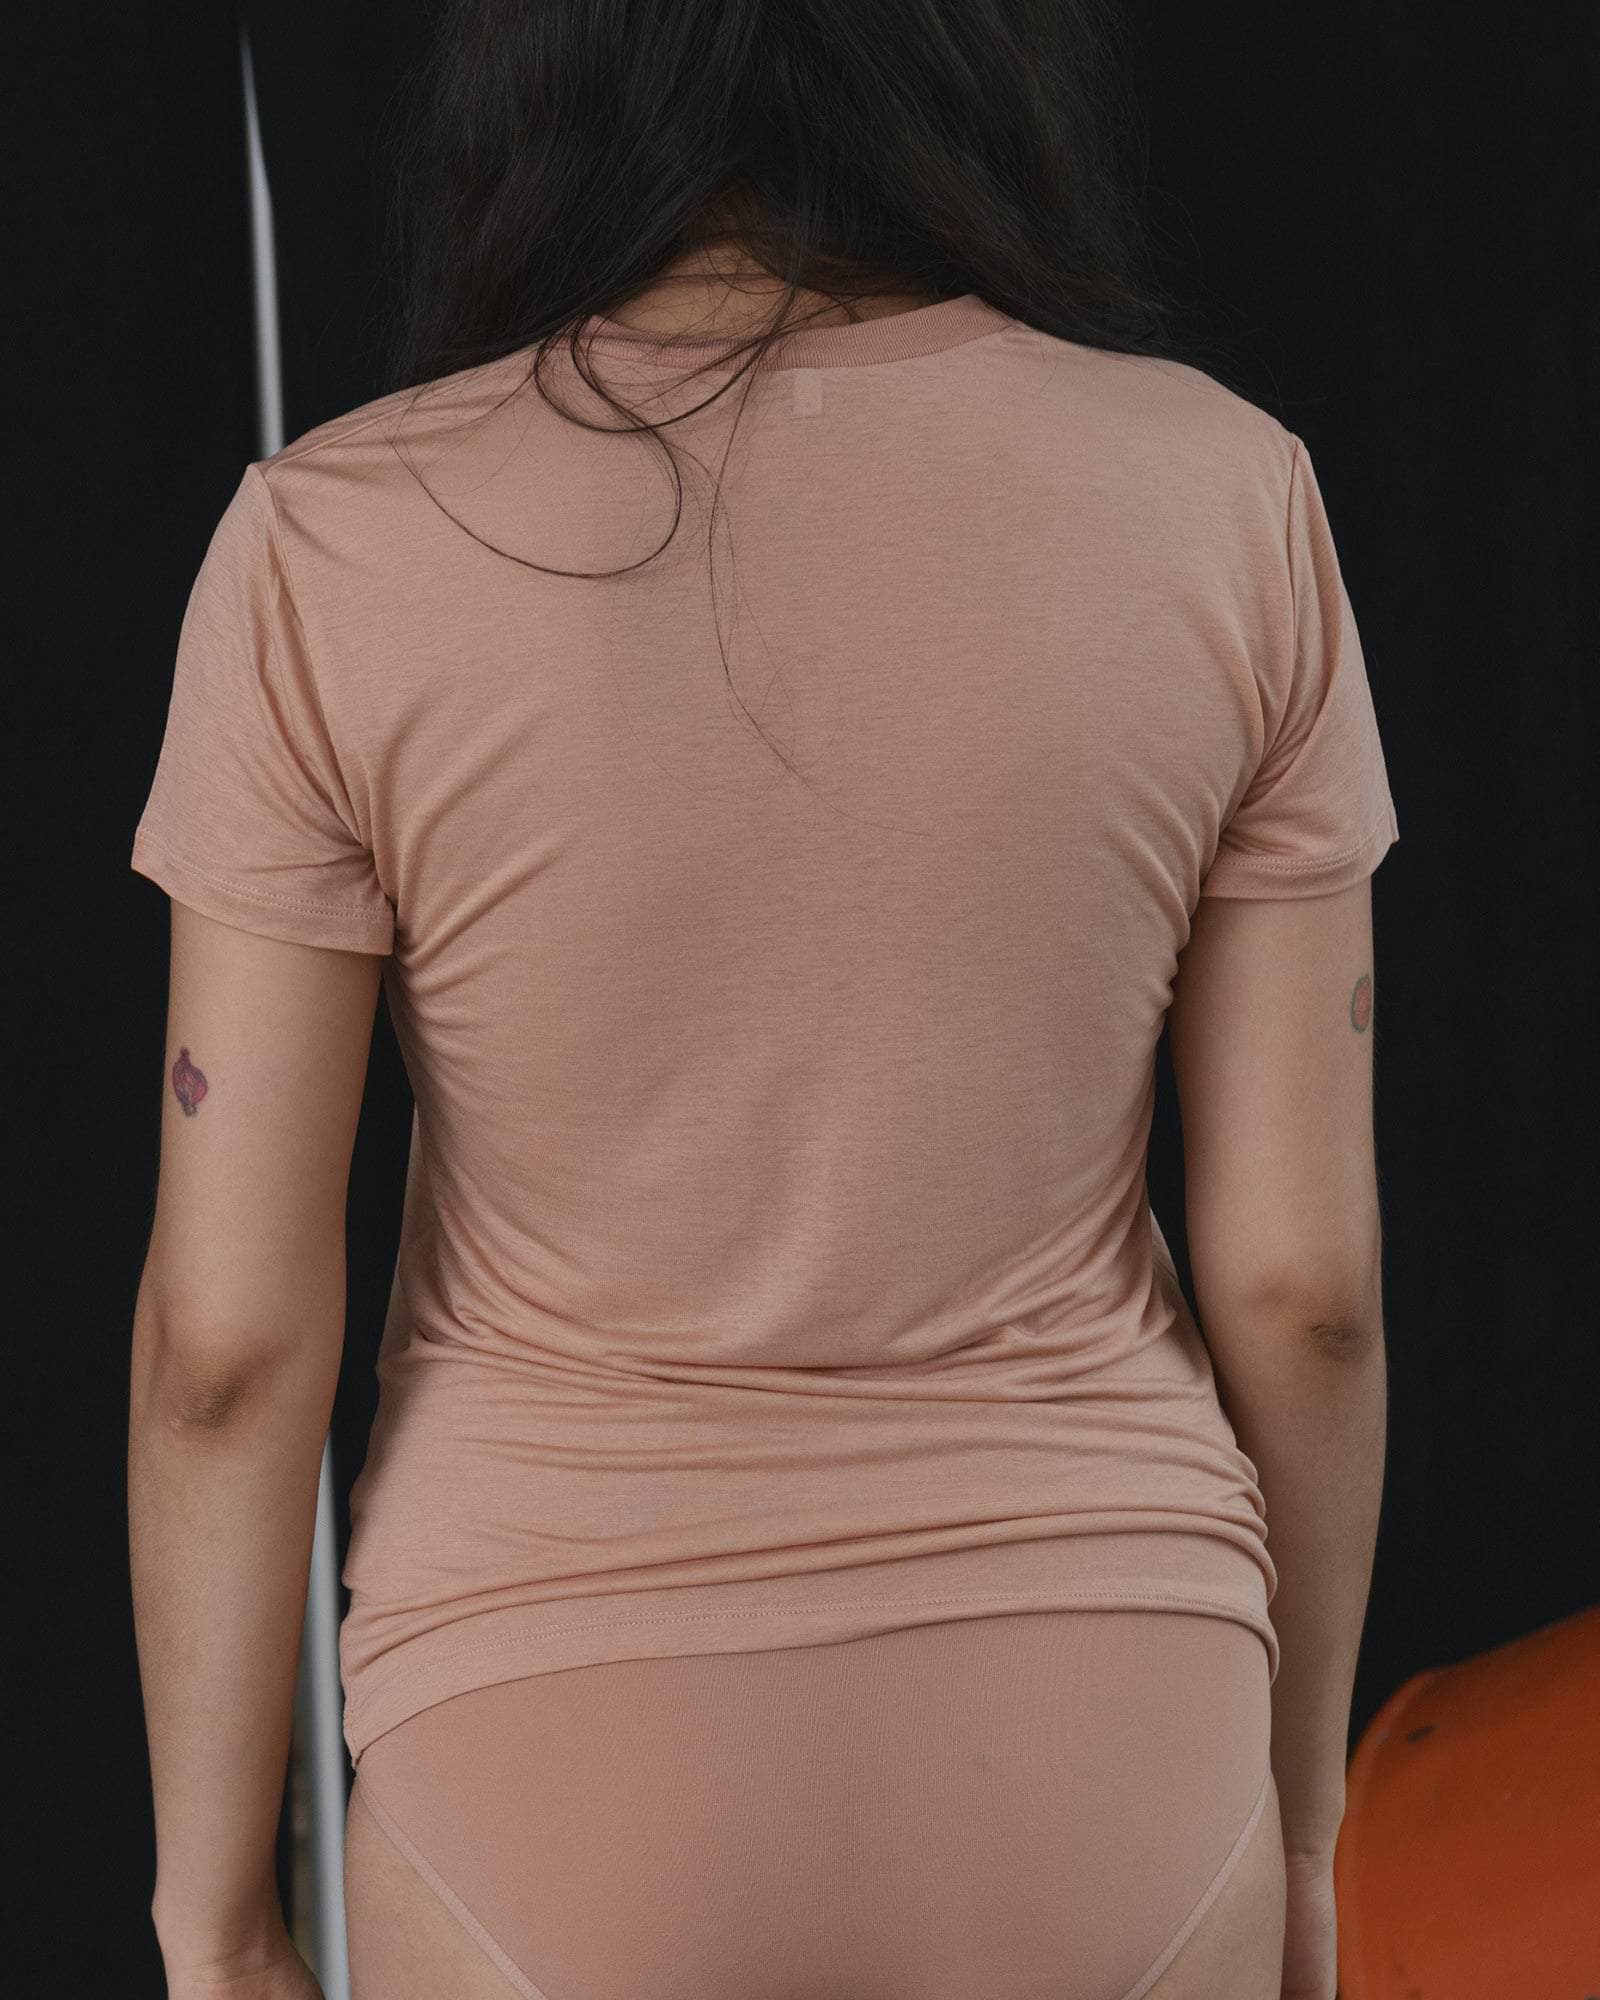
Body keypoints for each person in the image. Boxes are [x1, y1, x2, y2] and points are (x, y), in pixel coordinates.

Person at [127, 3, 1395, 1998]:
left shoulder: (331, 544)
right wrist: (1302, 1834)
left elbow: (222, 1348)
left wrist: (215, 1917)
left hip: (548, 1756)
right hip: (1116, 1734)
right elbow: (1303, 1293)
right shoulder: (1228, 493)